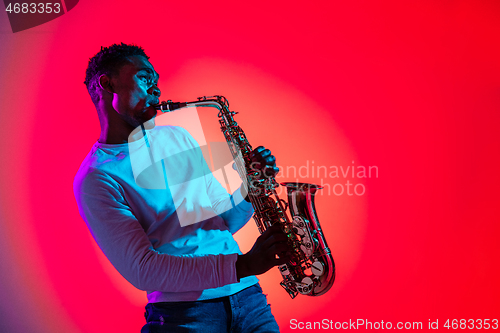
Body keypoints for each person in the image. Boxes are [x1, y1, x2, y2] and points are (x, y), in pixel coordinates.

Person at [73, 43, 291, 332]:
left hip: (249, 299)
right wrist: (244, 265)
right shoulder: (96, 177)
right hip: (184, 316)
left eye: (157, 82)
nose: (157, 90)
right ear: (107, 83)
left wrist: (251, 188)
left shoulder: (177, 136)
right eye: (144, 78)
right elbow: (144, 271)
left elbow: (222, 223)